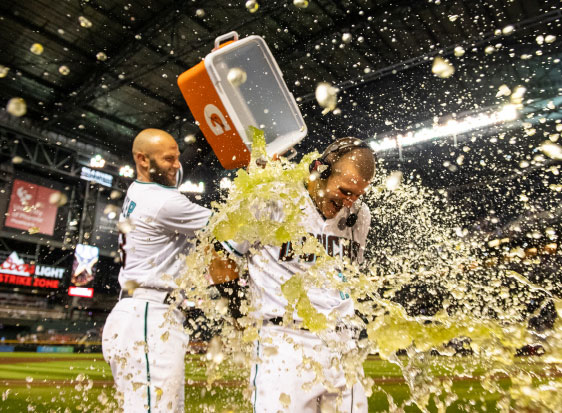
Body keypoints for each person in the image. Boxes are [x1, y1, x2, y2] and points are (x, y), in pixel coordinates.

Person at [221, 138, 376, 413]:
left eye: (358, 195)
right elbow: (220, 254)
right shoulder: (271, 197)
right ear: (320, 171)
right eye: (345, 191)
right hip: (284, 340)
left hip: (341, 342)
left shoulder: (359, 215)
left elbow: (349, 276)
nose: (349, 202)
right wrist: (238, 315)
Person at [102, 128, 235, 412]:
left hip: (141, 313)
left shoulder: (140, 188)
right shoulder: (165, 203)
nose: (177, 165)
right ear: (142, 160)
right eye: (168, 159)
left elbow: (183, 163)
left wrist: (204, 133)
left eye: (176, 157)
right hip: (149, 319)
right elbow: (232, 225)